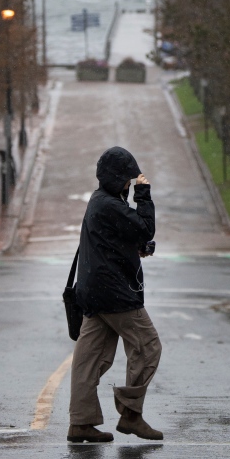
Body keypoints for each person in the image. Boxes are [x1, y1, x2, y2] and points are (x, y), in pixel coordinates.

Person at [68, 146, 162, 443]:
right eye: (128, 179)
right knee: (148, 347)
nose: (130, 183)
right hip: (115, 293)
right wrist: (143, 194)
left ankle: (81, 423)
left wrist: (137, 248)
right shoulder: (110, 204)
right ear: (116, 178)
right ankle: (131, 414)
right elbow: (145, 228)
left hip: (94, 292)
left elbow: (115, 239)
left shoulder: (100, 202)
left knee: (90, 359)